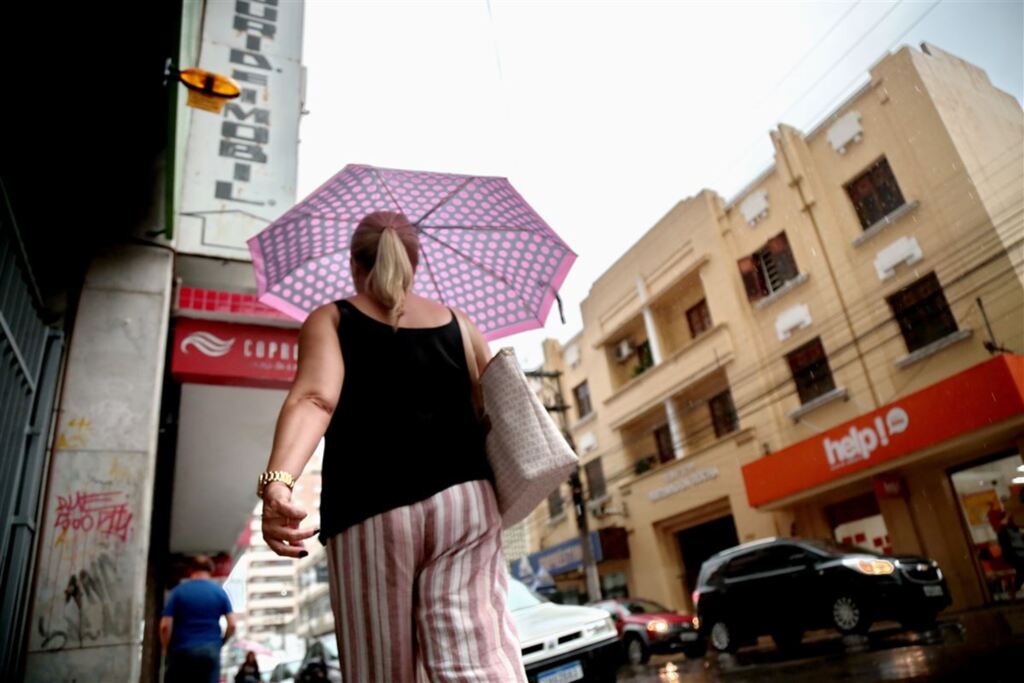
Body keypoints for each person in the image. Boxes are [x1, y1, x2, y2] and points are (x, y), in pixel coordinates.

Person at [257, 211, 526, 682]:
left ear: (353, 264)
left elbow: (315, 399)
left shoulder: (331, 319)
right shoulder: (462, 325)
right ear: (415, 263)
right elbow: (494, 409)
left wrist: (280, 482)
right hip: (466, 504)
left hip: (371, 510)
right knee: (475, 662)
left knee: (383, 669)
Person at [159, 554, 236, 683]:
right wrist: (221, 642)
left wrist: (166, 649)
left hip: (182, 652)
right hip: (210, 650)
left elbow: (165, 626)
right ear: (211, 570)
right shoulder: (219, 593)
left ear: (190, 570)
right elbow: (232, 624)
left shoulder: (178, 592)